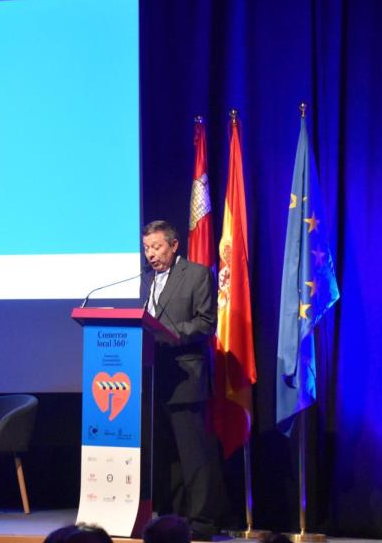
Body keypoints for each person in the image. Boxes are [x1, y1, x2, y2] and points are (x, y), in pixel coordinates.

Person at [140, 220, 227, 540]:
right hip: (155, 379)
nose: (150, 254)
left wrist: (171, 334)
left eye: (157, 247)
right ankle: (172, 520)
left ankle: (202, 523)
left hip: (186, 378)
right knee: (168, 457)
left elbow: (206, 323)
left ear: (174, 246)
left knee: (195, 457)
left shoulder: (197, 274)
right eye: (147, 247)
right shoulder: (145, 281)